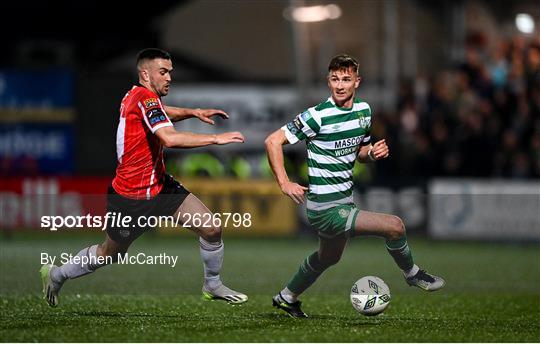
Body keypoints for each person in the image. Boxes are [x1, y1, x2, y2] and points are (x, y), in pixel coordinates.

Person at [40, 48, 248, 307]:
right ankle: (56, 274)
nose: (169, 77)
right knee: (109, 254)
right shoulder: (145, 98)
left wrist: (193, 111)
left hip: (160, 187)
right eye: (163, 72)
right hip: (131, 196)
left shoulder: (138, 96)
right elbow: (169, 138)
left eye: (170, 72)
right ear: (145, 74)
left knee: (211, 227)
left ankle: (213, 284)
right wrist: (216, 138)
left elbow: (161, 111)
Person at [265, 54, 445, 318]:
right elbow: (272, 141)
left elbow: (360, 151)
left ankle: (287, 297)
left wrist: (371, 153)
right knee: (395, 227)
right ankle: (412, 273)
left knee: (328, 258)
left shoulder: (364, 111)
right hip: (324, 208)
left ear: (357, 82)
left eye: (346, 79)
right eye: (335, 79)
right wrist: (284, 182)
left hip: (344, 201)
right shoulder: (317, 116)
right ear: (328, 81)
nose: (339, 85)